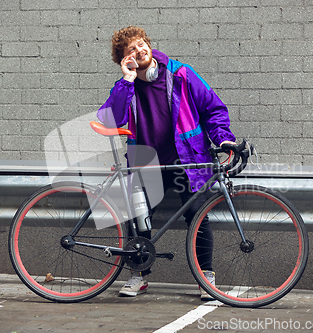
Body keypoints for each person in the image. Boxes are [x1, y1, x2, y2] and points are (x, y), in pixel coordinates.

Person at [97, 26, 237, 301]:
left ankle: (206, 278)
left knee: (198, 218)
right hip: (145, 160)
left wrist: (223, 139)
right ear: (126, 61)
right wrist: (127, 80)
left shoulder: (182, 74)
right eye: (131, 51)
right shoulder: (127, 85)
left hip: (189, 159)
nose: (139, 51)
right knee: (138, 220)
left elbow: (213, 108)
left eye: (141, 44)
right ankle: (138, 276)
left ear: (149, 45)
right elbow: (110, 119)